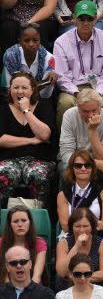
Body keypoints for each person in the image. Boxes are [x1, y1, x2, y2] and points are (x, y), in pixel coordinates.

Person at [53, 0, 103, 125]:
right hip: (73, 89)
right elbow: (62, 76)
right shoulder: (61, 42)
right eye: (82, 18)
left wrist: (97, 94)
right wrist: (76, 93)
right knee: (65, 103)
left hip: (99, 88)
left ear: (95, 20)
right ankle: (64, 143)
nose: (85, 23)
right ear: (74, 18)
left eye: (89, 19)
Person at [0, 72, 55, 205]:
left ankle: (38, 215)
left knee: (38, 175)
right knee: (4, 173)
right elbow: (1, 139)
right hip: (9, 159)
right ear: (10, 90)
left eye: (24, 88)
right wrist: (31, 140)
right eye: (15, 87)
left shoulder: (44, 106)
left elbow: (45, 135)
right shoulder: (3, 109)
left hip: (39, 159)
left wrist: (26, 111)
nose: (19, 91)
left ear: (32, 90)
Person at [57, 90, 103, 177]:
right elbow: (66, 154)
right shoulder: (69, 115)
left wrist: (92, 131)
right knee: (65, 168)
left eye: (94, 110)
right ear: (78, 108)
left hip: (100, 160)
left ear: (100, 107)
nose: (90, 115)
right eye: (85, 111)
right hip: (74, 161)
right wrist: (94, 163)